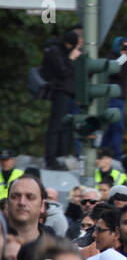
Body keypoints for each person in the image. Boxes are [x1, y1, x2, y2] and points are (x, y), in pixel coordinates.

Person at [42, 27, 81, 167]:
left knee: (65, 127)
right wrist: (71, 59)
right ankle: (51, 158)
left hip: (69, 92)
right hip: (60, 91)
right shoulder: (55, 52)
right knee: (56, 125)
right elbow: (62, 72)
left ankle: (61, 155)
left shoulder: (63, 52)